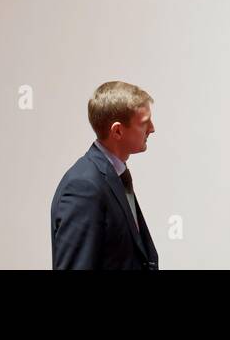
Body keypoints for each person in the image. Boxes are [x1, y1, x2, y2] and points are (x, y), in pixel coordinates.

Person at [50, 81, 159, 269]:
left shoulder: (109, 176)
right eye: (144, 123)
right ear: (117, 130)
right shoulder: (84, 187)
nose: (152, 128)